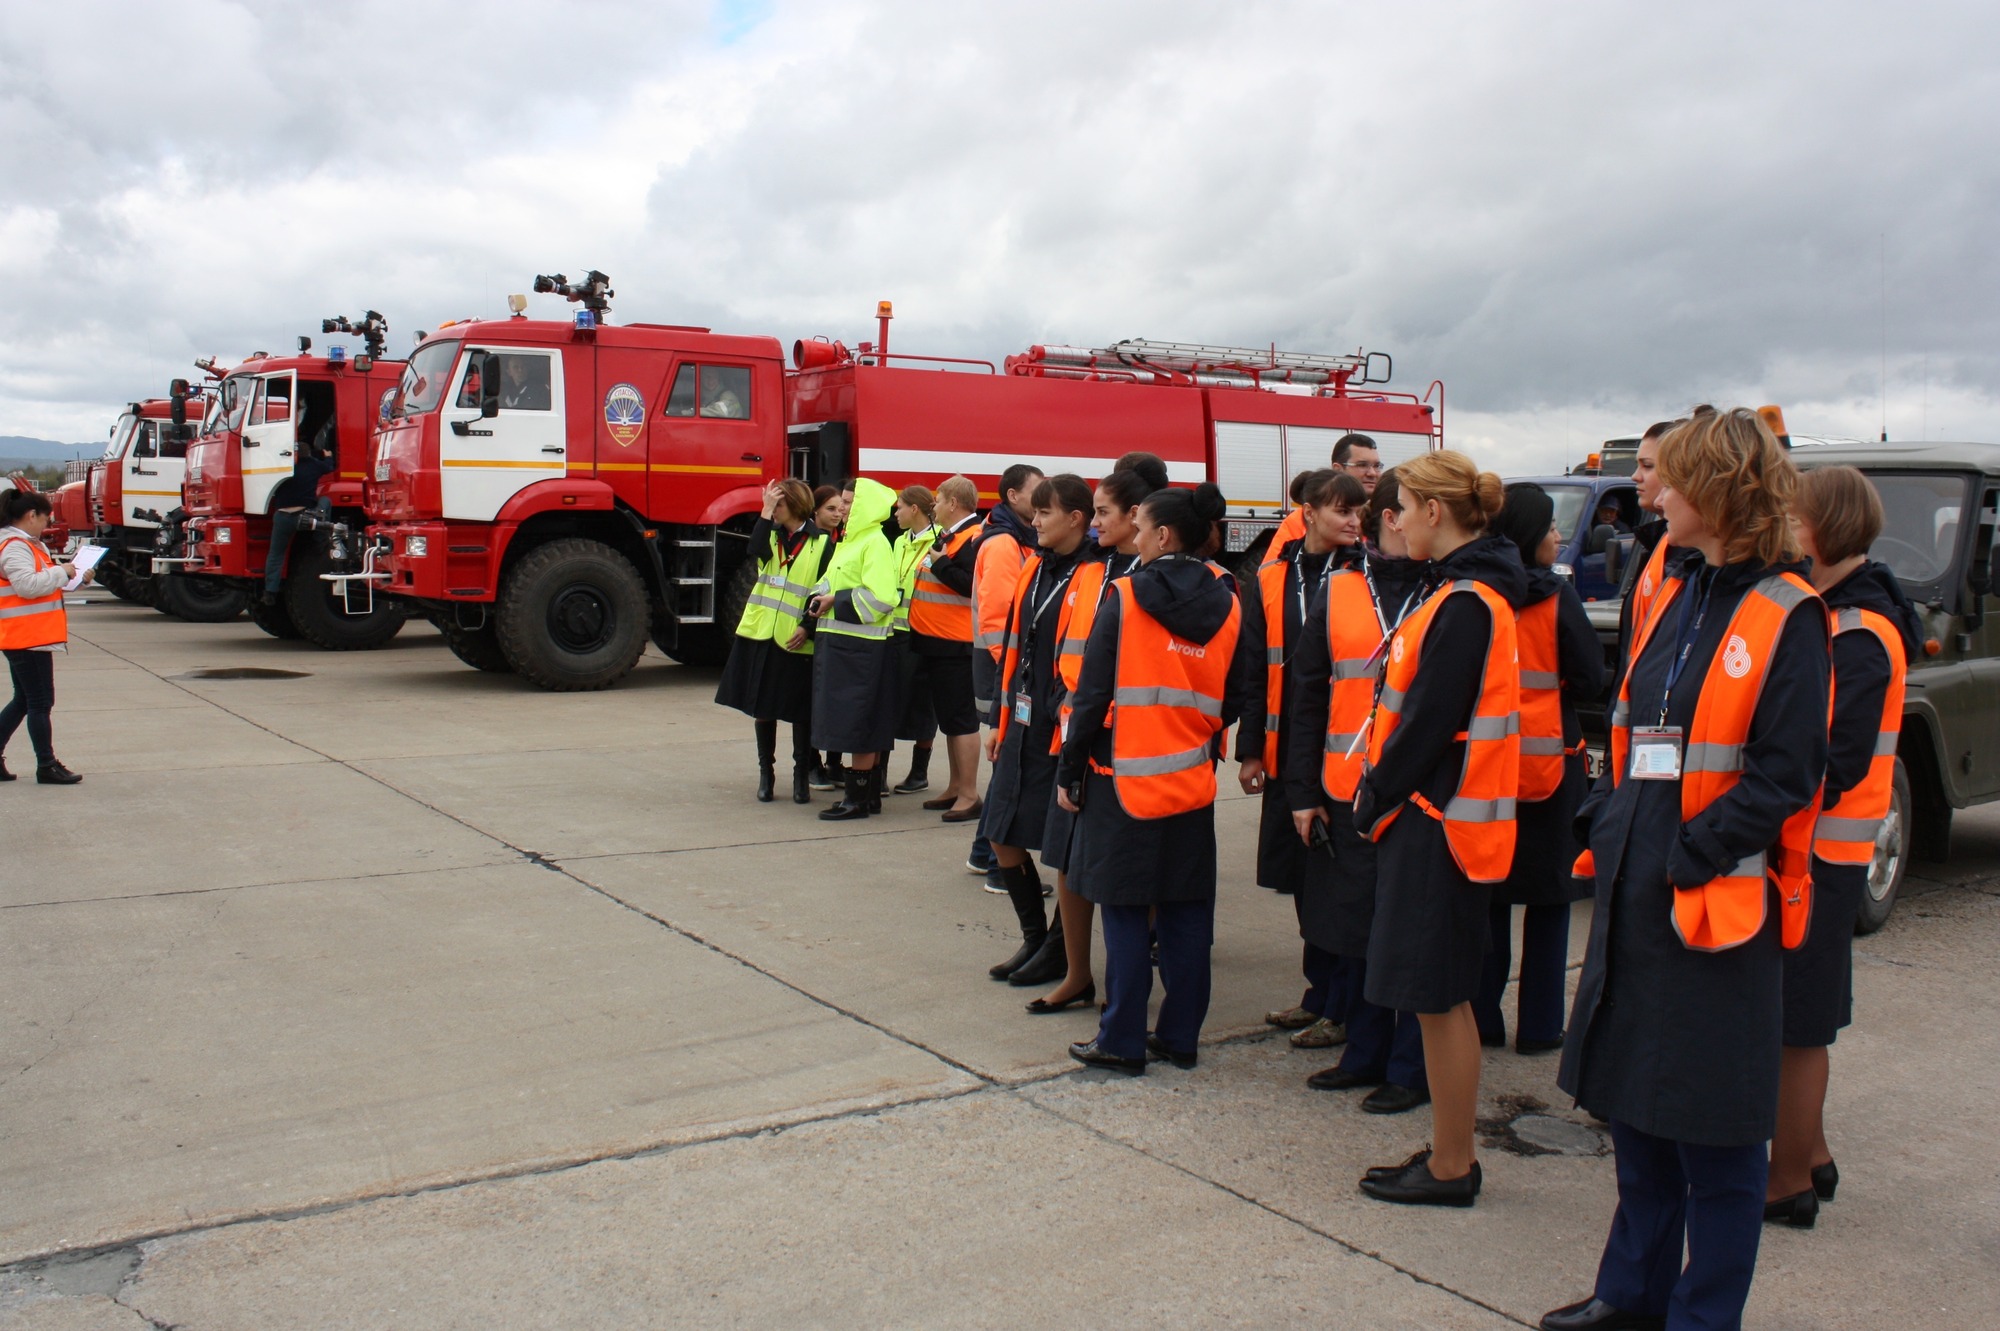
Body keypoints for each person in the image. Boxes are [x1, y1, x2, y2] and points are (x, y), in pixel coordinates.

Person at [1543, 409, 1828, 1331]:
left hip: (1714, 908)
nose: (1651, 494)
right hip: (1642, 882)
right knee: (1638, 1114)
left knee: (1718, 1137)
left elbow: (1789, 771)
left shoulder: (1787, 611)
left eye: (1669, 480)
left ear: (1720, 491)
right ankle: (1630, 1296)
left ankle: (1702, 1317)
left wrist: (1688, 853)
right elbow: (1636, 725)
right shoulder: (1679, 589)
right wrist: (1610, 817)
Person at [1350, 449, 1524, 1207]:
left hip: (1438, 823)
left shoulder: (1464, 602)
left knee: (1438, 995)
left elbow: (1427, 724)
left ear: (1435, 511)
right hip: (1438, 818)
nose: (1394, 517)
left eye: (1405, 503)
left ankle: (1454, 1163)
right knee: (1435, 994)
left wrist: (1374, 796)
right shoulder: (1457, 592)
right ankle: (1450, 1150)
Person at [1765, 466, 1919, 1228]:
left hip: (1822, 857)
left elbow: (1838, 758)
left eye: (1794, 519)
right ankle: (1811, 1153)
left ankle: (1786, 1178)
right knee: (1799, 1010)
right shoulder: (1838, 614)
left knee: (1799, 1021)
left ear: (1822, 528)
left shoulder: (1858, 631)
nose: (1786, 532)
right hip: (1815, 852)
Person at [1058, 483, 1245, 1073]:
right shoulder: (1230, 597)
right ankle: (1180, 1037)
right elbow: (1239, 692)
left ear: (1163, 535)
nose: (1132, 537)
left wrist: (1069, 767)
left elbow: (1091, 695)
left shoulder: (1125, 595)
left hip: (1122, 778)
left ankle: (1121, 1040)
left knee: (1125, 912)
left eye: (1139, 528)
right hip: (1191, 777)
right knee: (1187, 911)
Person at [1291, 469, 1432, 1110]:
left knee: (1411, 935)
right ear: (1386, 518)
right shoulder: (1342, 589)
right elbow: (1307, 697)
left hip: (1421, 794)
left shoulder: (1449, 589)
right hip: (1347, 788)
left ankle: (1409, 1069)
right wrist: (1302, 791)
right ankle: (1365, 1051)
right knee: (1355, 929)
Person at [1475, 486, 1605, 1054]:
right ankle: (1540, 1027)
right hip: (1552, 771)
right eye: (1551, 527)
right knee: (1551, 902)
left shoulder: (1479, 595)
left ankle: (1482, 1019)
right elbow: (1590, 677)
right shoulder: (1557, 600)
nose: (1558, 536)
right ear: (1531, 535)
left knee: (1490, 900)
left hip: (1489, 772)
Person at [1239, 469, 1366, 1050]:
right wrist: (1249, 751)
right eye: (1341, 510)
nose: (1353, 521)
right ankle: (1318, 994)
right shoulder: (1272, 571)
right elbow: (1251, 665)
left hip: (1343, 751)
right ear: (1308, 511)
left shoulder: (1366, 574)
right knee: (1299, 877)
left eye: (1358, 511)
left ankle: (1342, 1006)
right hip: (1287, 746)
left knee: (1334, 883)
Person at [1025, 466, 1153, 1014]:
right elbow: (1063, 651)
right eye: (1094, 512)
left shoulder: (1150, 578)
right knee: (1069, 859)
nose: (1095, 521)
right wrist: (1059, 702)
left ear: (1136, 518)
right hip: (1072, 735)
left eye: (1104, 513)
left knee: (1126, 872)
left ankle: (1130, 983)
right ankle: (1078, 975)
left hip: (1123, 743)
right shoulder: (1089, 572)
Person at [981, 475, 1098, 982]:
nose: (1035, 521)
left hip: (1061, 730)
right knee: (1001, 833)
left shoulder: (1096, 573)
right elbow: (1014, 647)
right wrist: (999, 719)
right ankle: (1034, 937)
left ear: (1076, 518)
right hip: (1023, 721)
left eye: (1045, 514)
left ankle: (1056, 948)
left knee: (1062, 848)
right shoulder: (1035, 566)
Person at [714, 479, 829, 804]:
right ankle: (767, 775)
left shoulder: (821, 543)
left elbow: (822, 589)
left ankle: (800, 779)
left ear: (793, 504)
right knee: (763, 709)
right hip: (762, 634)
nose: (772, 510)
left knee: (798, 712)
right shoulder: (771, 535)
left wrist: (808, 626)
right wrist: (765, 511)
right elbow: (754, 550)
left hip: (795, 637)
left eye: (777, 504)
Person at [807, 478, 902, 821]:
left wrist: (835, 601)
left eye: (848, 502)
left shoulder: (873, 542)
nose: (843, 508)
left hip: (862, 649)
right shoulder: (852, 541)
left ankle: (857, 799)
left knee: (860, 723)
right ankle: (866, 796)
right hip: (845, 647)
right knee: (859, 721)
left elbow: (883, 598)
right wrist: (818, 596)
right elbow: (832, 581)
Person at [967, 464, 1044, 889]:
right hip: (1003, 673)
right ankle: (1001, 868)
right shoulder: (1003, 544)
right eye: (1037, 490)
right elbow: (999, 619)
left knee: (1004, 768)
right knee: (1008, 767)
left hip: (1003, 672)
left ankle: (985, 854)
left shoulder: (1013, 539)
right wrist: (1013, 672)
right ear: (1014, 496)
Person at [906, 476, 985, 820]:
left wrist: (940, 564)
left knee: (962, 721)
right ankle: (956, 787)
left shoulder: (974, 538)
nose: (933, 506)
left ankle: (969, 793)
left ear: (954, 503)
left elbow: (973, 587)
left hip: (956, 645)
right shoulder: (952, 535)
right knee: (951, 723)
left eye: (937, 500)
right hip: (939, 643)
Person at [0, 486, 87, 784]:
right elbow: (26, 585)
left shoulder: (27, 544)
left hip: (25, 634)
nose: (47, 525)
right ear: (30, 515)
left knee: (25, 700)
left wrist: (73, 577)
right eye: (45, 518)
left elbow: (40, 584)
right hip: (26, 636)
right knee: (40, 702)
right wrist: (62, 572)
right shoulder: (15, 546)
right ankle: (47, 765)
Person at [887, 485, 942, 796]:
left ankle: (919, 772)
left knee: (922, 704)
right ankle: (880, 769)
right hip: (895, 633)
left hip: (923, 633)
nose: (896, 514)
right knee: (891, 700)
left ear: (915, 510)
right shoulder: (899, 542)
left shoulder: (938, 542)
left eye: (900, 508)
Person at [804, 485, 849, 791]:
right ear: (816, 511)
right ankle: (811, 764)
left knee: (834, 701)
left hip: (832, 632)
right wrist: (806, 625)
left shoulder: (842, 541)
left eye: (840, 509)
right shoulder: (810, 543)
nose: (838, 514)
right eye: (831, 509)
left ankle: (834, 763)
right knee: (811, 703)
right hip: (810, 629)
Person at [262, 418, 335, 604]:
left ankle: (270, 592)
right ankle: (320, 540)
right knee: (325, 501)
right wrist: (326, 455)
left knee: (276, 554)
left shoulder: (281, 469)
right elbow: (330, 467)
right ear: (309, 453)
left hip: (282, 517)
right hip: (304, 516)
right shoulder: (314, 465)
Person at [1270, 432, 1385, 548]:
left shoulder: (1388, 518)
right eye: (1362, 465)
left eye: (1377, 466)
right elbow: (1276, 564)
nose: (1372, 473)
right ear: (1337, 469)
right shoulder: (1299, 520)